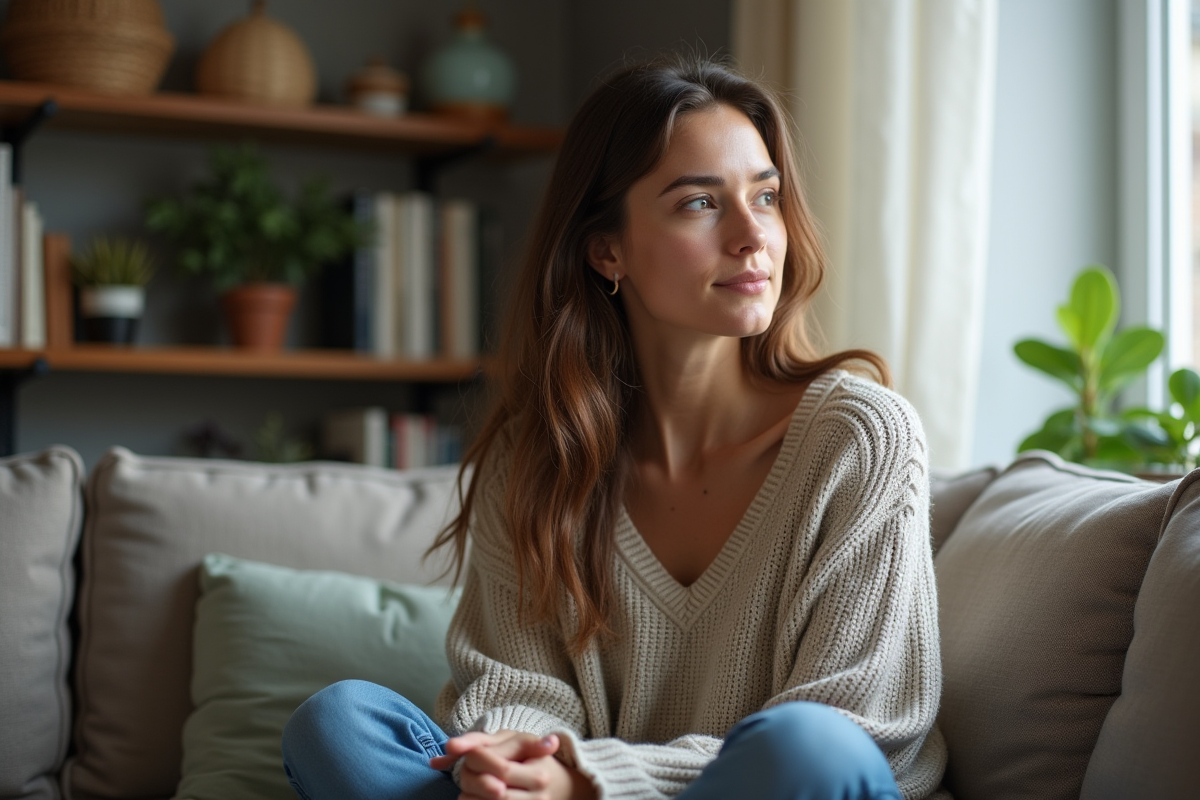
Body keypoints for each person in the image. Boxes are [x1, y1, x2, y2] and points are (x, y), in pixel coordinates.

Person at [281, 55, 947, 800]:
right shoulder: (536, 455)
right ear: (607, 250)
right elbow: (518, 687)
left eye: (766, 196)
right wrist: (520, 760)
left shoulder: (862, 436)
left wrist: (590, 777)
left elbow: (860, 724)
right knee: (338, 724)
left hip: (786, 785)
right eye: (700, 203)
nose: (752, 235)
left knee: (807, 745)